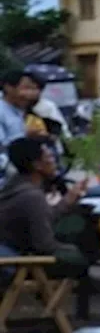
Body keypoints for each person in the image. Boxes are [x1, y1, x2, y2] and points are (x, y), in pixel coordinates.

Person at [0, 137, 88, 278]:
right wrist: (76, 250)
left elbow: (41, 218)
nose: (54, 161)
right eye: (50, 157)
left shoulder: (15, 185)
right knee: (82, 252)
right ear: (37, 165)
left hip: (10, 249)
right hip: (21, 260)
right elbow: (45, 245)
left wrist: (67, 201)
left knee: (74, 225)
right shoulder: (32, 196)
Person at [0, 68, 43, 147]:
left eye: (34, 89)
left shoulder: (24, 108)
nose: (32, 94)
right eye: (27, 88)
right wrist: (25, 136)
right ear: (8, 87)